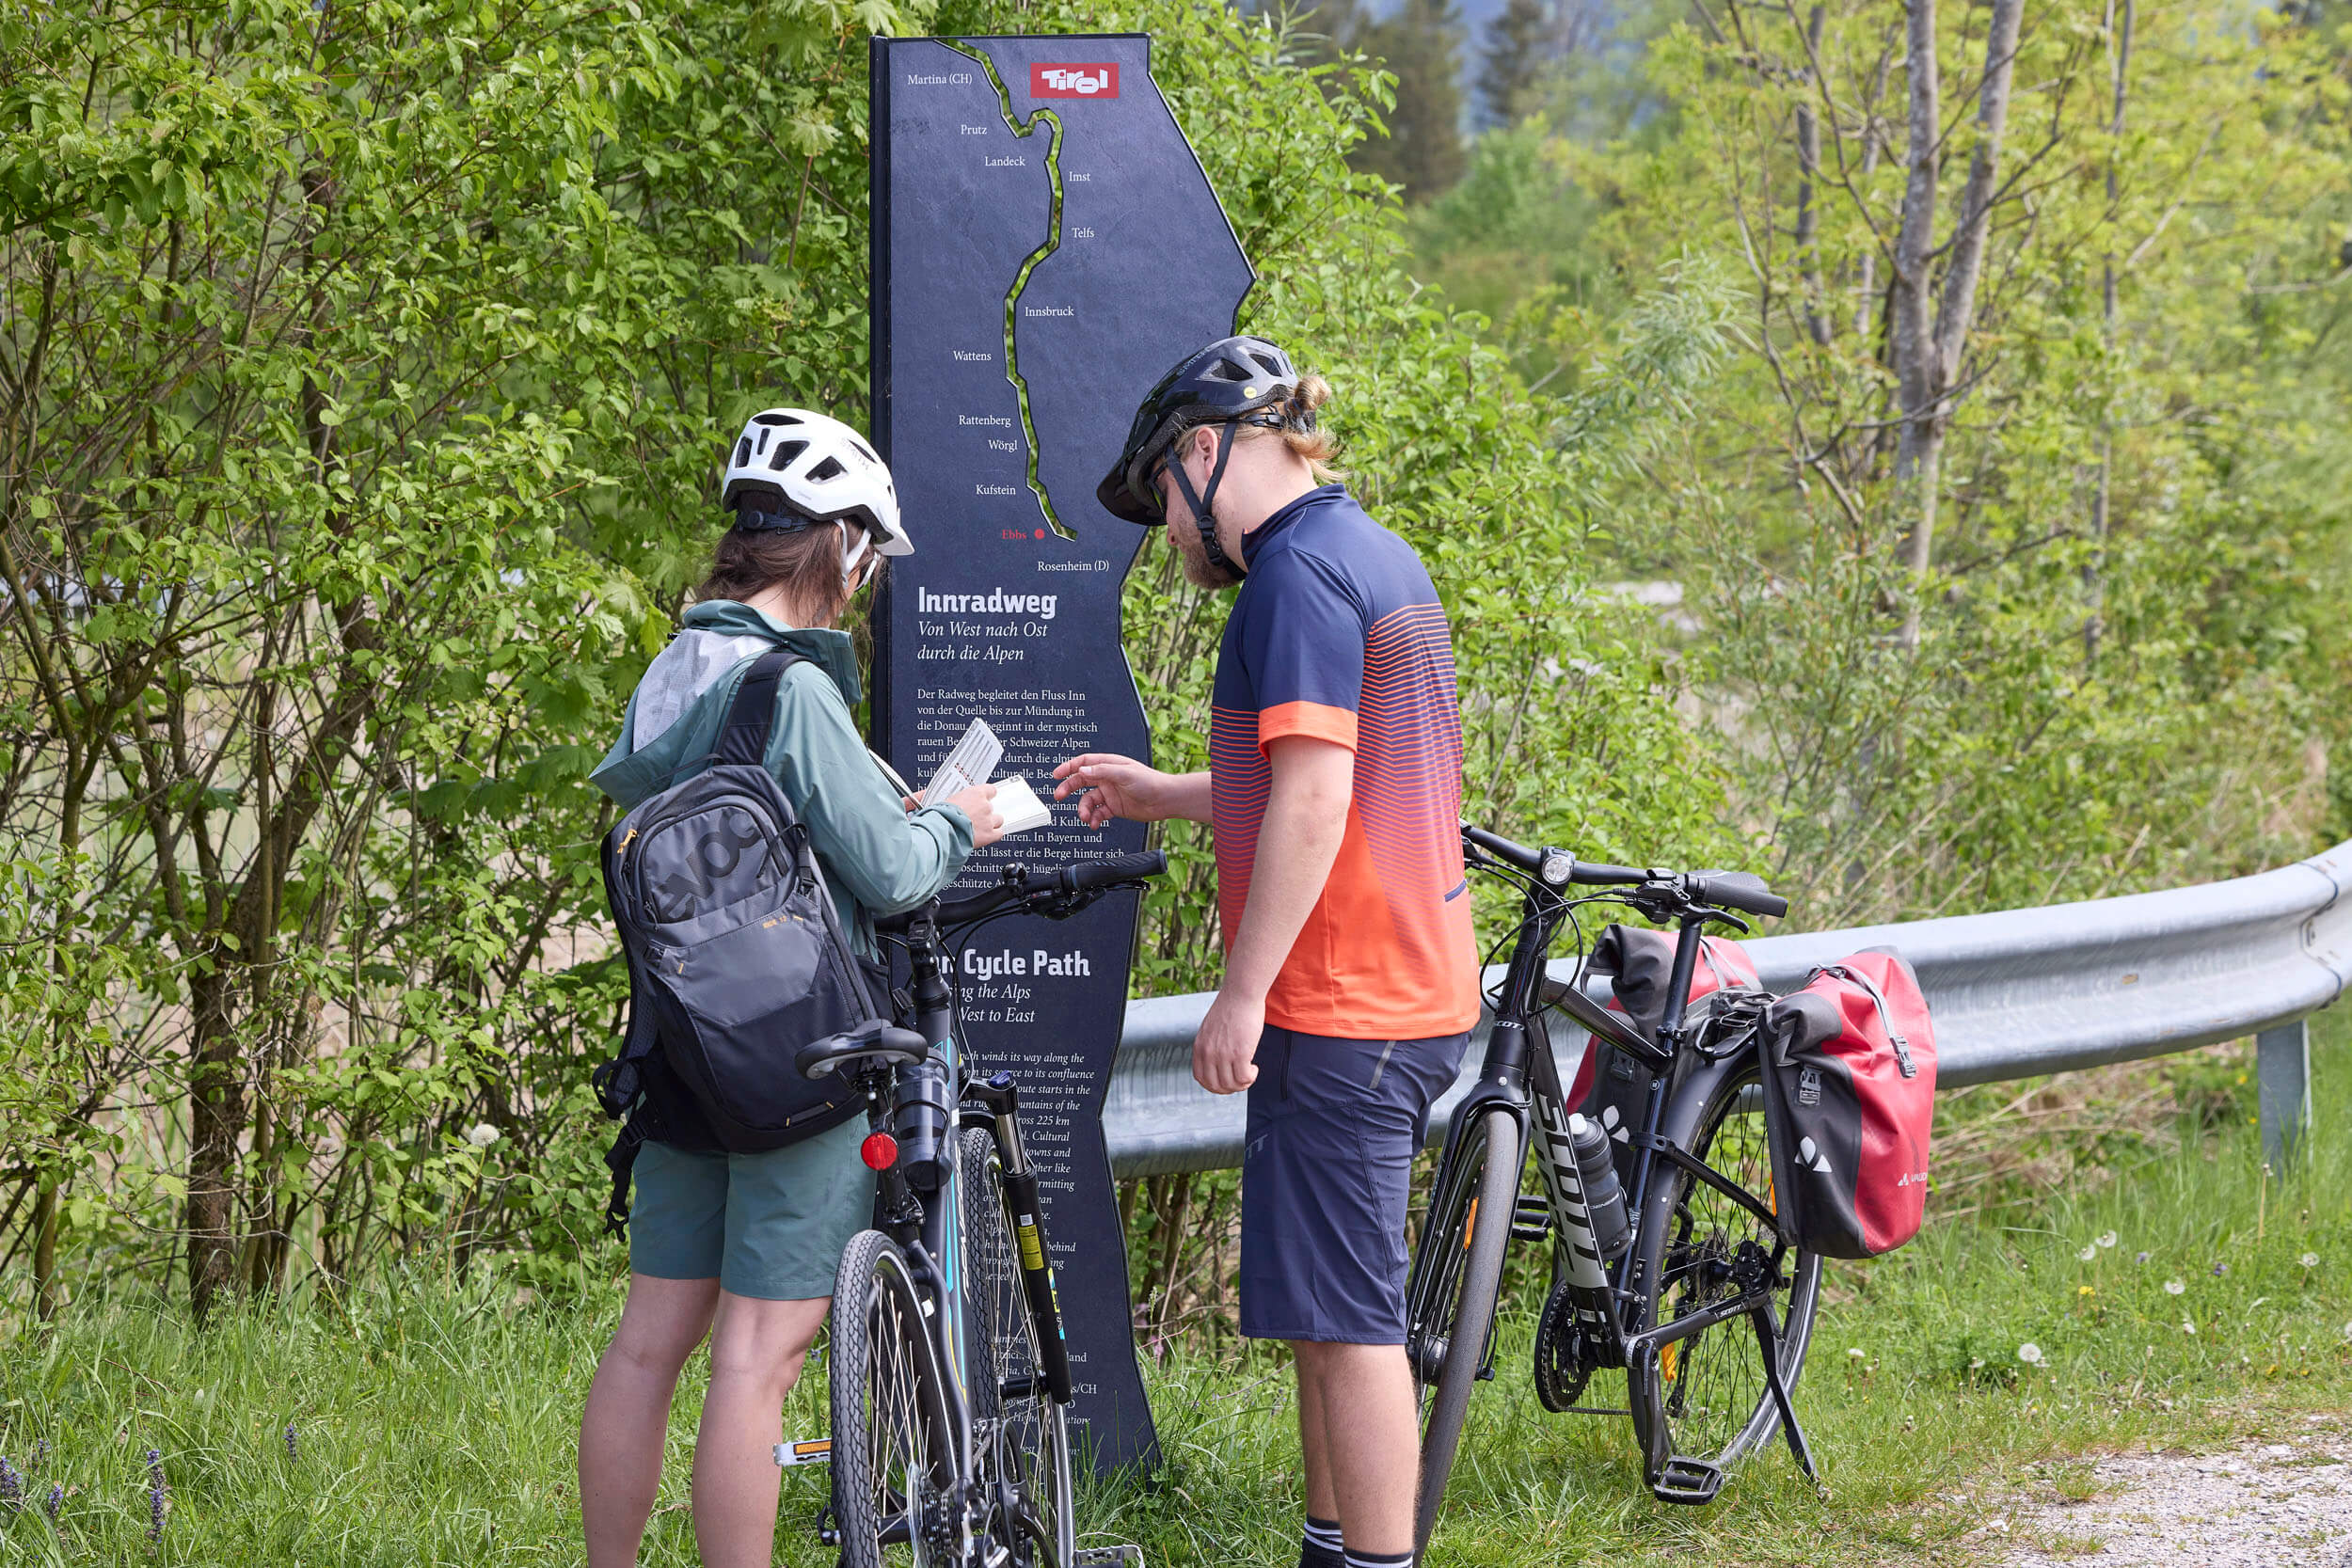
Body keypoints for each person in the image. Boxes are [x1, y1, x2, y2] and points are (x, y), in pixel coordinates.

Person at [1054, 339, 1479, 1568]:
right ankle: (1329, 1542)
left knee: (1351, 1324)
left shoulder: (1291, 582)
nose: (1168, 542)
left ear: (1204, 453)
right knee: (1320, 1308)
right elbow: (1321, 775)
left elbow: (1310, 801)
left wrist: (1240, 993)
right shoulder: (1368, 553)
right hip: (1403, 981)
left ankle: (1374, 1558)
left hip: (1345, 998)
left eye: (1161, 512)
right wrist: (1165, 792)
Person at [577, 408, 1003, 1568]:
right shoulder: (795, 691)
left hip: (677, 1049)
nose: (866, 583)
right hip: (799, 1057)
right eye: (867, 556)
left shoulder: (673, 668)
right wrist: (961, 820)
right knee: (760, 1356)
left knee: (646, 1344)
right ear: (840, 546)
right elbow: (896, 869)